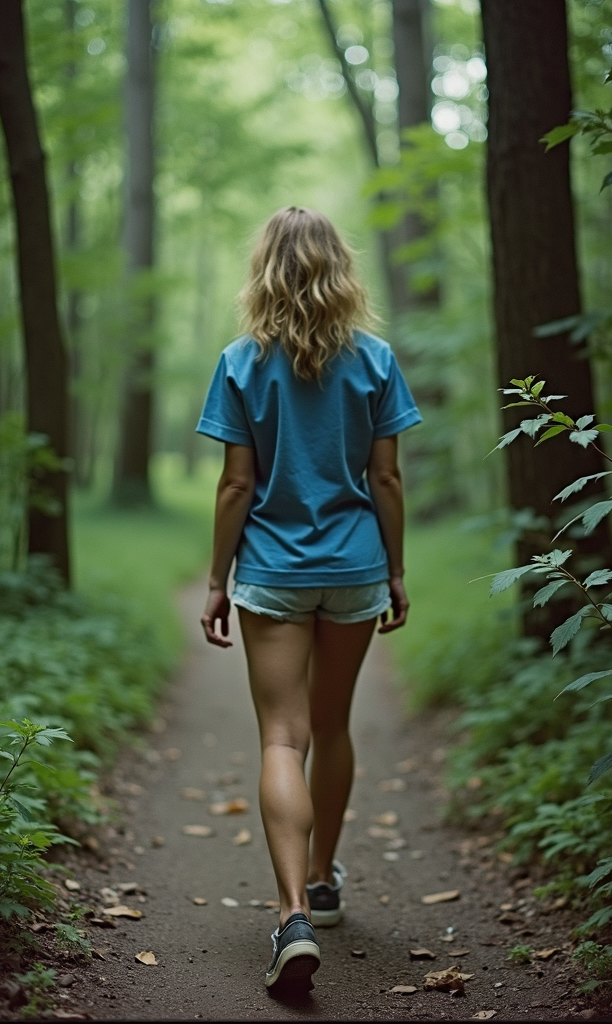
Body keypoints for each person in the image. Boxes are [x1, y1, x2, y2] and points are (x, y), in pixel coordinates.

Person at [196, 206, 421, 992]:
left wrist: (218, 580)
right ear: (339, 269)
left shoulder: (240, 362)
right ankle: (322, 880)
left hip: (274, 573)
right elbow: (386, 478)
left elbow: (235, 483)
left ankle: (291, 913)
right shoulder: (375, 360)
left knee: (282, 740)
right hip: (355, 567)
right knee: (331, 725)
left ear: (264, 271)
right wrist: (394, 571)